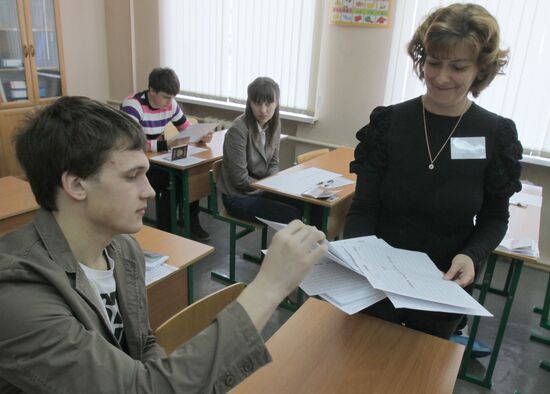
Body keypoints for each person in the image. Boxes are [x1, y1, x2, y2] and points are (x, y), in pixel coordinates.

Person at [0, 96, 327, 393]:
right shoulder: (17, 293)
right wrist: (268, 287)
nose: (150, 191)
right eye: (132, 177)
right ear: (75, 184)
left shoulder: (123, 250)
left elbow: (143, 346)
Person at [344, 3, 522, 339]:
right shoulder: (388, 123)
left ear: (480, 70)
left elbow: (494, 218)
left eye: (457, 66)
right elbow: (364, 207)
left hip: (442, 288)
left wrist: (472, 256)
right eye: (433, 62)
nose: (441, 77)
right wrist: (359, 256)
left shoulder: (495, 134)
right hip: (374, 284)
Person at [121, 67, 211, 241]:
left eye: (173, 97)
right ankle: (166, 230)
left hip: (155, 158)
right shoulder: (133, 105)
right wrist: (165, 144)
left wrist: (201, 135)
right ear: (152, 90)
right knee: (170, 181)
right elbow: (132, 143)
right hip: (133, 162)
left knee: (190, 174)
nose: (170, 102)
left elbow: (186, 129)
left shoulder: (170, 104)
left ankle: (191, 220)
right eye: (166, 97)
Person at [217, 77, 302, 223]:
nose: (263, 110)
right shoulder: (239, 129)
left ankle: (318, 245)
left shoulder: (275, 123)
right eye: (257, 103)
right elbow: (240, 180)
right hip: (237, 197)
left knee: (308, 205)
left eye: (269, 103)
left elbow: (274, 163)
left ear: (276, 103)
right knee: (292, 214)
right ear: (249, 103)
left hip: (260, 188)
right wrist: (267, 187)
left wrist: (271, 185)